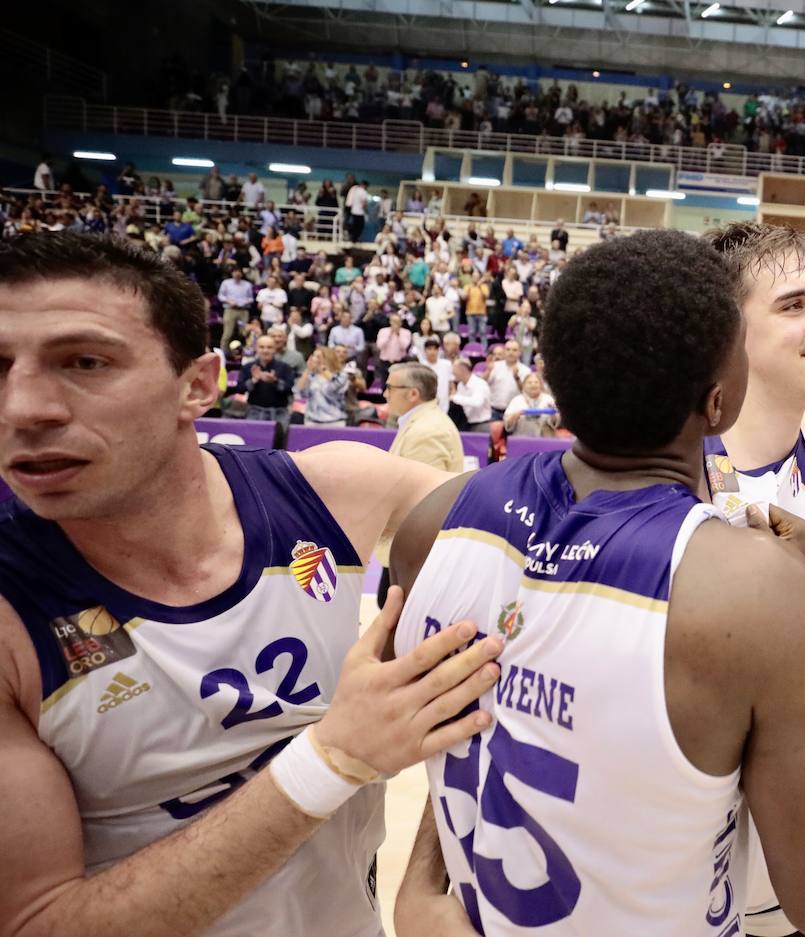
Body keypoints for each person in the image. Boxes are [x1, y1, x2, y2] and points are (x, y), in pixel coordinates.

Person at [0, 232, 499, 937]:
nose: (24, 409)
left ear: (199, 384)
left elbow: (535, 537)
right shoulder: (10, 622)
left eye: (84, 361)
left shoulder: (333, 490)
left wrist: (426, 876)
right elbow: (37, 924)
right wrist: (333, 759)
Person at [391, 229, 805, 936]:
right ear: (718, 401)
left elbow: (435, 732)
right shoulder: (754, 589)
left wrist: (417, 886)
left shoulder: (431, 522)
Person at [374, 363, 465, 607]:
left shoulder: (426, 431)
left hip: (413, 549)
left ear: (412, 393)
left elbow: (420, 502)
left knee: (394, 614)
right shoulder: (421, 423)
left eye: (390, 387)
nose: (385, 394)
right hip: (410, 547)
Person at [239, 335, 295, 440]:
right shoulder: (248, 367)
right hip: (254, 412)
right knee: (253, 443)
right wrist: (253, 381)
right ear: (256, 348)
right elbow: (240, 388)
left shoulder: (285, 367)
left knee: (280, 444)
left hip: (279, 413)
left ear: (274, 349)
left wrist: (275, 381)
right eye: (262, 347)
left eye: (269, 347)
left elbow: (289, 388)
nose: (265, 350)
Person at [296, 346, 351, 427]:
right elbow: (300, 392)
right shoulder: (311, 376)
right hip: (312, 421)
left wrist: (323, 369)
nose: (314, 359)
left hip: (335, 422)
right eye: (314, 356)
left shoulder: (341, 375)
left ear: (327, 359)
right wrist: (307, 370)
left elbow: (335, 385)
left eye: (318, 357)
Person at [502, 372, 559, 438]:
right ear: (524, 386)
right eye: (529, 383)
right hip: (522, 438)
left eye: (536, 382)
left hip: (544, 438)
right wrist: (515, 416)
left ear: (540, 385)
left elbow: (555, 423)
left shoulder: (548, 399)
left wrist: (553, 414)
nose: (533, 385)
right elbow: (508, 424)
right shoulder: (517, 400)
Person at [451, 357, 493, 433]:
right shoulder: (460, 385)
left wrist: (455, 397)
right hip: (467, 423)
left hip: (482, 424)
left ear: (463, 369)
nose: (453, 372)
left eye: (455, 369)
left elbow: (477, 402)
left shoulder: (479, 384)